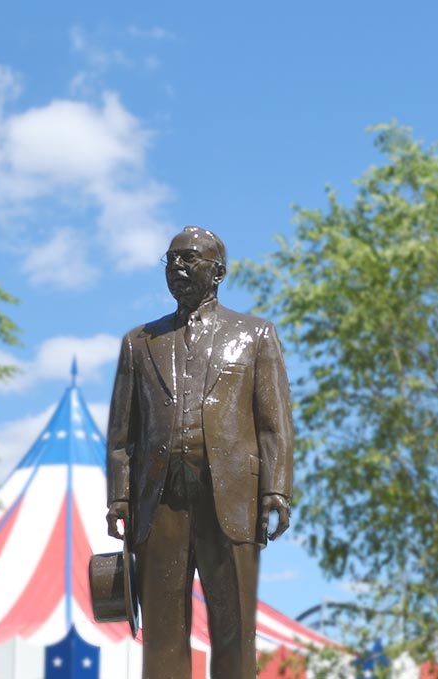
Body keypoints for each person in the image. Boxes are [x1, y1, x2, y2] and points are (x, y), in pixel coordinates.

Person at [105, 226, 295, 679]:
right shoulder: (139, 342)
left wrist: (277, 489)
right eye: (170, 260)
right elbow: (121, 434)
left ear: (219, 273)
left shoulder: (255, 335)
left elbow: (274, 423)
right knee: (163, 634)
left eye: (189, 259)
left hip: (232, 500)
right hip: (159, 502)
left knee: (235, 629)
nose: (178, 268)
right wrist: (119, 497)